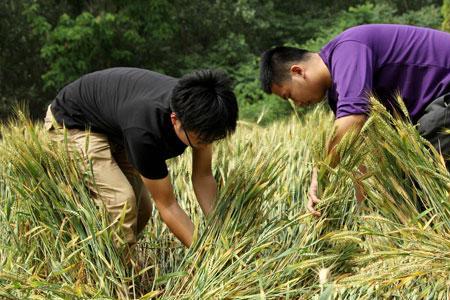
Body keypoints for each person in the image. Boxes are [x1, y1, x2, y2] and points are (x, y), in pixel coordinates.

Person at [259, 24, 450, 216]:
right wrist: (364, 213)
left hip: (445, 99)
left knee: (425, 159)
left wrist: (319, 174)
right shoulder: (338, 95)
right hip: (437, 106)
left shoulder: (348, 50)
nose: (296, 104)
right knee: (404, 179)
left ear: (298, 71)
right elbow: (363, 151)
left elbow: (354, 120)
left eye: (289, 95)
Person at [44, 67, 238, 254]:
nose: (206, 145)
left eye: (211, 140)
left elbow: (203, 177)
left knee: (141, 210)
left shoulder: (203, 112)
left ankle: (107, 253)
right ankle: (119, 280)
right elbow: (168, 206)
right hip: (73, 123)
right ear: (175, 119)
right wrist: (208, 256)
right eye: (201, 140)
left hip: (115, 126)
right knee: (121, 204)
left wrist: (221, 236)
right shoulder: (145, 130)